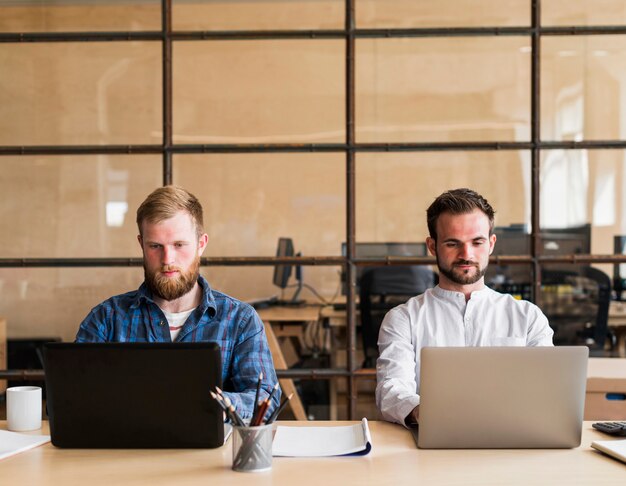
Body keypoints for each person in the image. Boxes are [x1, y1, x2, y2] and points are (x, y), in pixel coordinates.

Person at [76, 185, 280, 420]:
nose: (167, 259)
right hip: (127, 453)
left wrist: (210, 403)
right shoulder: (106, 319)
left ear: (201, 244)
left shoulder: (241, 320)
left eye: (179, 245)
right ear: (141, 244)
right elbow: (72, 397)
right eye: (155, 246)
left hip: (210, 455)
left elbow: (265, 401)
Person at [375, 188, 553, 426]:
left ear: (490, 244)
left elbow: (547, 393)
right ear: (432, 246)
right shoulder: (403, 318)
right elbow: (391, 389)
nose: (466, 254)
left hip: (512, 442)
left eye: (477, 242)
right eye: (452, 243)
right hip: (431, 447)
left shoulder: (528, 317)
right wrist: (422, 412)